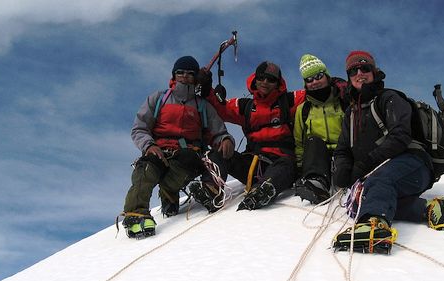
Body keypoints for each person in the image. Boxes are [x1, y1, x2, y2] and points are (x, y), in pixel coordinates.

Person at [331, 50, 444, 253]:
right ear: (349, 77)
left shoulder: (389, 98)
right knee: (360, 200)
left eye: (365, 68)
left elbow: (400, 136)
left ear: (374, 71)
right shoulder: (350, 114)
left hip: (414, 163)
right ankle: (429, 209)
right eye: (353, 70)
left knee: (378, 182)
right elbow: (343, 148)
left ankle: (374, 224)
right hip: (380, 172)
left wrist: (365, 164)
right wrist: (343, 171)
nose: (360, 73)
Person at [121, 55, 235, 239]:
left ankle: (170, 192)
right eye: (180, 72)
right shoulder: (159, 98)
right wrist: (149, 145)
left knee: (188, 159)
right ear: (174, 75)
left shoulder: (202, 106)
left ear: (196, 77)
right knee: (146, 169)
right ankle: (136, 215)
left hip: (189, 155)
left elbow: (218, 132)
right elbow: (140, 128)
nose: (184, 76)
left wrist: (225, 140)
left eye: (190, 73)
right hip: (158, 151)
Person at [202, 61, 305, 210]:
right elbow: (221, 109)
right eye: (261, 78)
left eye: (271, 80)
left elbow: (314, 89)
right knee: (220, 153)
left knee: (287, 165)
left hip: (281, 161)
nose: (265, 82)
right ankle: (210, 189)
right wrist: (206, 88)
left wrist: (336, 84)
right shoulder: (245, 107)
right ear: (255, 79)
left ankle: (263, 191)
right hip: (253, 163)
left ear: (278, 84)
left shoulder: (289, 101)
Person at [292, 54, 348, 204]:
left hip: (343, 152)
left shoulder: (343, 101)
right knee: (313, 140)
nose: (314, 82)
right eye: (309, 79)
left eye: (318, 76)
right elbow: (299, 141)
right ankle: (317, 184)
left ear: (327, 76)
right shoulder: (303, 109)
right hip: (317, 156)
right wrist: (299, 167)